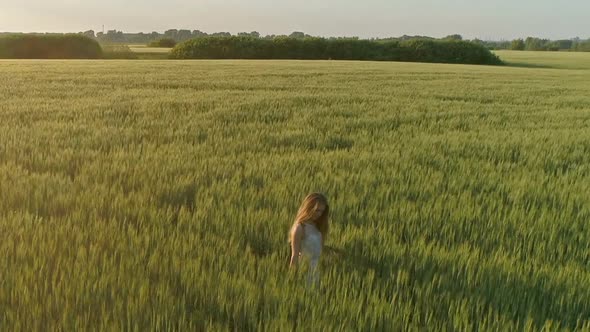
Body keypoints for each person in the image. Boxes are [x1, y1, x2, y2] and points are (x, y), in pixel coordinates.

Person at [289, 192, 330, 287]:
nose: (319, 214)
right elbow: (294, 255)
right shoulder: (300, 227)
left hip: (316, 270)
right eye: (317, 210)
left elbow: (318, 247)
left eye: (321, 211)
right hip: (304, 270)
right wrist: (291, 280)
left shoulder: (317, 226)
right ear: (309, 207)